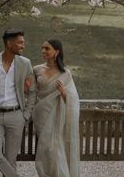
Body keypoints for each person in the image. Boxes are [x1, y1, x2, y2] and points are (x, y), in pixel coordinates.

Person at [0, 29, 36, 177]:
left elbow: (32, 91)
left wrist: (26, 114)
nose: (23, 45)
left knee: (10, 159)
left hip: (16, 116)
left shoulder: (25, 63)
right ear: (9, 43)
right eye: (20, 42)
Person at [33, 39, 80, 177]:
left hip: (57, 115)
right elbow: (32, 92)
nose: (43, 51)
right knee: (46, 148)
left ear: (56, 52)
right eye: (42, 48)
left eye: (47, 48)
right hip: (41, 115)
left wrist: (64, 93)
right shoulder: (37, 69)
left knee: (54, 147)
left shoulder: (66, 73)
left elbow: (73, 100)